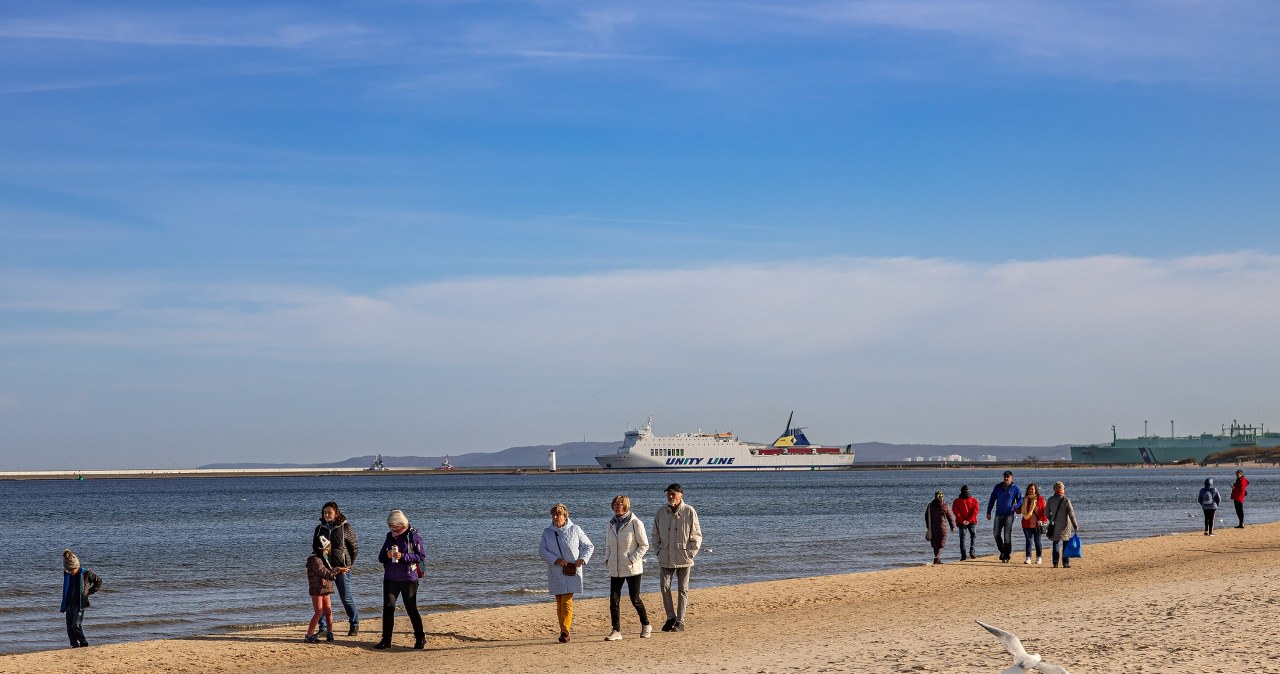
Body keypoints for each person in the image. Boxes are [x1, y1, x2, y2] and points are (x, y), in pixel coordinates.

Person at [539, 502, 594, 643]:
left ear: (565, 516)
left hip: (572, 571)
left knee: (566, 600)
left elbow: (589, 546)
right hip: (556, 570)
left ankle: (565, 631)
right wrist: (556, 560)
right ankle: (563, 629)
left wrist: (582, 559)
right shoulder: (547, 532)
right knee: (559, 602)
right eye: (553, 515)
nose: (555, 517)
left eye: (558, 514)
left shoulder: (575, 529)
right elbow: (542, 551)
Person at [654, 483, 702, 632]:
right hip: (665, 556)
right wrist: (658, 551)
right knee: (664, 587)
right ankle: (670, 617)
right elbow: (655, 534)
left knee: (683, 589)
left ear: (681, 495)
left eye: (673, 494)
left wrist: (691, 553)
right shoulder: (661, 512)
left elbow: (696, 535)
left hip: (684, 556)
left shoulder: (689, 511)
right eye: (668, 493)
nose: (670, 496)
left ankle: (680, 621)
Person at [603, 495, 652, 641]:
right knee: (614, 599)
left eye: (620, 504)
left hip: (632, 568)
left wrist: (631, 559)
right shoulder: (611, 524)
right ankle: (616, 630)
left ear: (626, 506)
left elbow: (644, 545)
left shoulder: (635, 523)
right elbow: (608, 544)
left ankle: (646, 625)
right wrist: (608, 558)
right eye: (615, 504)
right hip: (615, 568)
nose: (617, 506)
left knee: (634, 598)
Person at [375, 509, 426, 650]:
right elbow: (381, 558)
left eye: (395, 526)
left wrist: (403, 556)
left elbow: (421, 556)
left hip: (409, 578)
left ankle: (420, 638)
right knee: (388, 608)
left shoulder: (413, 536)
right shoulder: (389, 536)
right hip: (390, 578)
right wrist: (388, 553)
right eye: (390, 526)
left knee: (411, 608)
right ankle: (386, 640)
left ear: (402, 524)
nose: (393, 528)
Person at [313, 501, 360, 635]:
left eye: (330, 512)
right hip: (324, 568)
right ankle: (322, 628)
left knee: (345, 597)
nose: (327, 515)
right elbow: (315, 548)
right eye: (325, 512)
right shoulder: (319, 528)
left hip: (341, 568)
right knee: (321, 597)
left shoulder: (346, 528)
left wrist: (348, 565)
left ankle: (354, 623)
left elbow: (354, 548)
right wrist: (319, 566)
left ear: (336, 513)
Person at [305, 537, 349, 643]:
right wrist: (338, 570)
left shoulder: (324, 559)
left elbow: (327, 572)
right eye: (327, 548)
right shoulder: (314, 560)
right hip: (317, 590)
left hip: (325, 589)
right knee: (318, 613)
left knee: (328, 611)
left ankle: (329, 633)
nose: (328, 550)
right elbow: (325, 572)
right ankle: (309, 635)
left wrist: (338, 570)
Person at [59, 549, 102, 648]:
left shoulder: (86, 573)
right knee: (69, 628)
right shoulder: (67, 574)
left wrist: (89, 592)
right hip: (69, 603)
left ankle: (83, 642)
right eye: (68, 570)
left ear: (76, 566)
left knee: (75, 625)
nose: (70, 572)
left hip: (79, 604)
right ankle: (74, 645)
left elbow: (99, 581)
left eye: (71, 570)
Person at [986, 471, 1023, 563]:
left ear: (1012, 478)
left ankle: (1006, 555)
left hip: (1009, 515)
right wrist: (988, 512)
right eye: (1005, 477)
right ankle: (1002, 550)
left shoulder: (1015, 488)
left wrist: (1015, 506)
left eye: (1008, 477)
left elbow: (1020, 500)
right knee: (996, 533)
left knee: (1007, 535)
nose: (1006, 478)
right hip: (998, 514)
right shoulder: (998, 487)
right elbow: (992, 499)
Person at [1045, 482, 1079, 569]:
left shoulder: (1050, 499)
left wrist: (1052, 519)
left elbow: (1046, 513)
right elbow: (1071, 514)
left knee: (1055, 543)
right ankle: (1065, 563)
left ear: (1054, 489)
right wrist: (1075, 524)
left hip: (1055, 524)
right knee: (1066, 543)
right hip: (1065, 525)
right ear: (1063, 489)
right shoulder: (1066, 500)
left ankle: (1055, 562)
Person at [925, 491, 957, 565]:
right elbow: (950, 517)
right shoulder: (945, 505)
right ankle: (937, 557)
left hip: (932, 527)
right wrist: (952, 526)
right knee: (941, 543)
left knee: (935, 543)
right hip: (943, 527)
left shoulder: (930, 506)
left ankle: (936, 557)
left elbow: (926, 517)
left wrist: (928, 526)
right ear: (942, 497)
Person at [1019, 483, 1047, 564]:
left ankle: (1039, 557)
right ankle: (1028, 558)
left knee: (1037, 541)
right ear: (1027, 490)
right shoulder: (1024, 499)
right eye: (1030, 489)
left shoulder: (1040, 499)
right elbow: (1019, 511)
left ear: (1036, 490)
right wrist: (1015, 505)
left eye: (1033, 489)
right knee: (1028, 541)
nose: (1031, 490)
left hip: (1037, 524)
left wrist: (1043, 520)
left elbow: (1044, 511)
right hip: (1026, 524)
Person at [951, 485, 979, 561]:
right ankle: (972, 551)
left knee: (962, 538)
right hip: (971, 521)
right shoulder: (974, 500)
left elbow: (956, 512)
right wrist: (968, 520)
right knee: (973, 536)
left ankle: (963, 556)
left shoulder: (956, 501)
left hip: (963, 522)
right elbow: (975, 512)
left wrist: (963, 520)